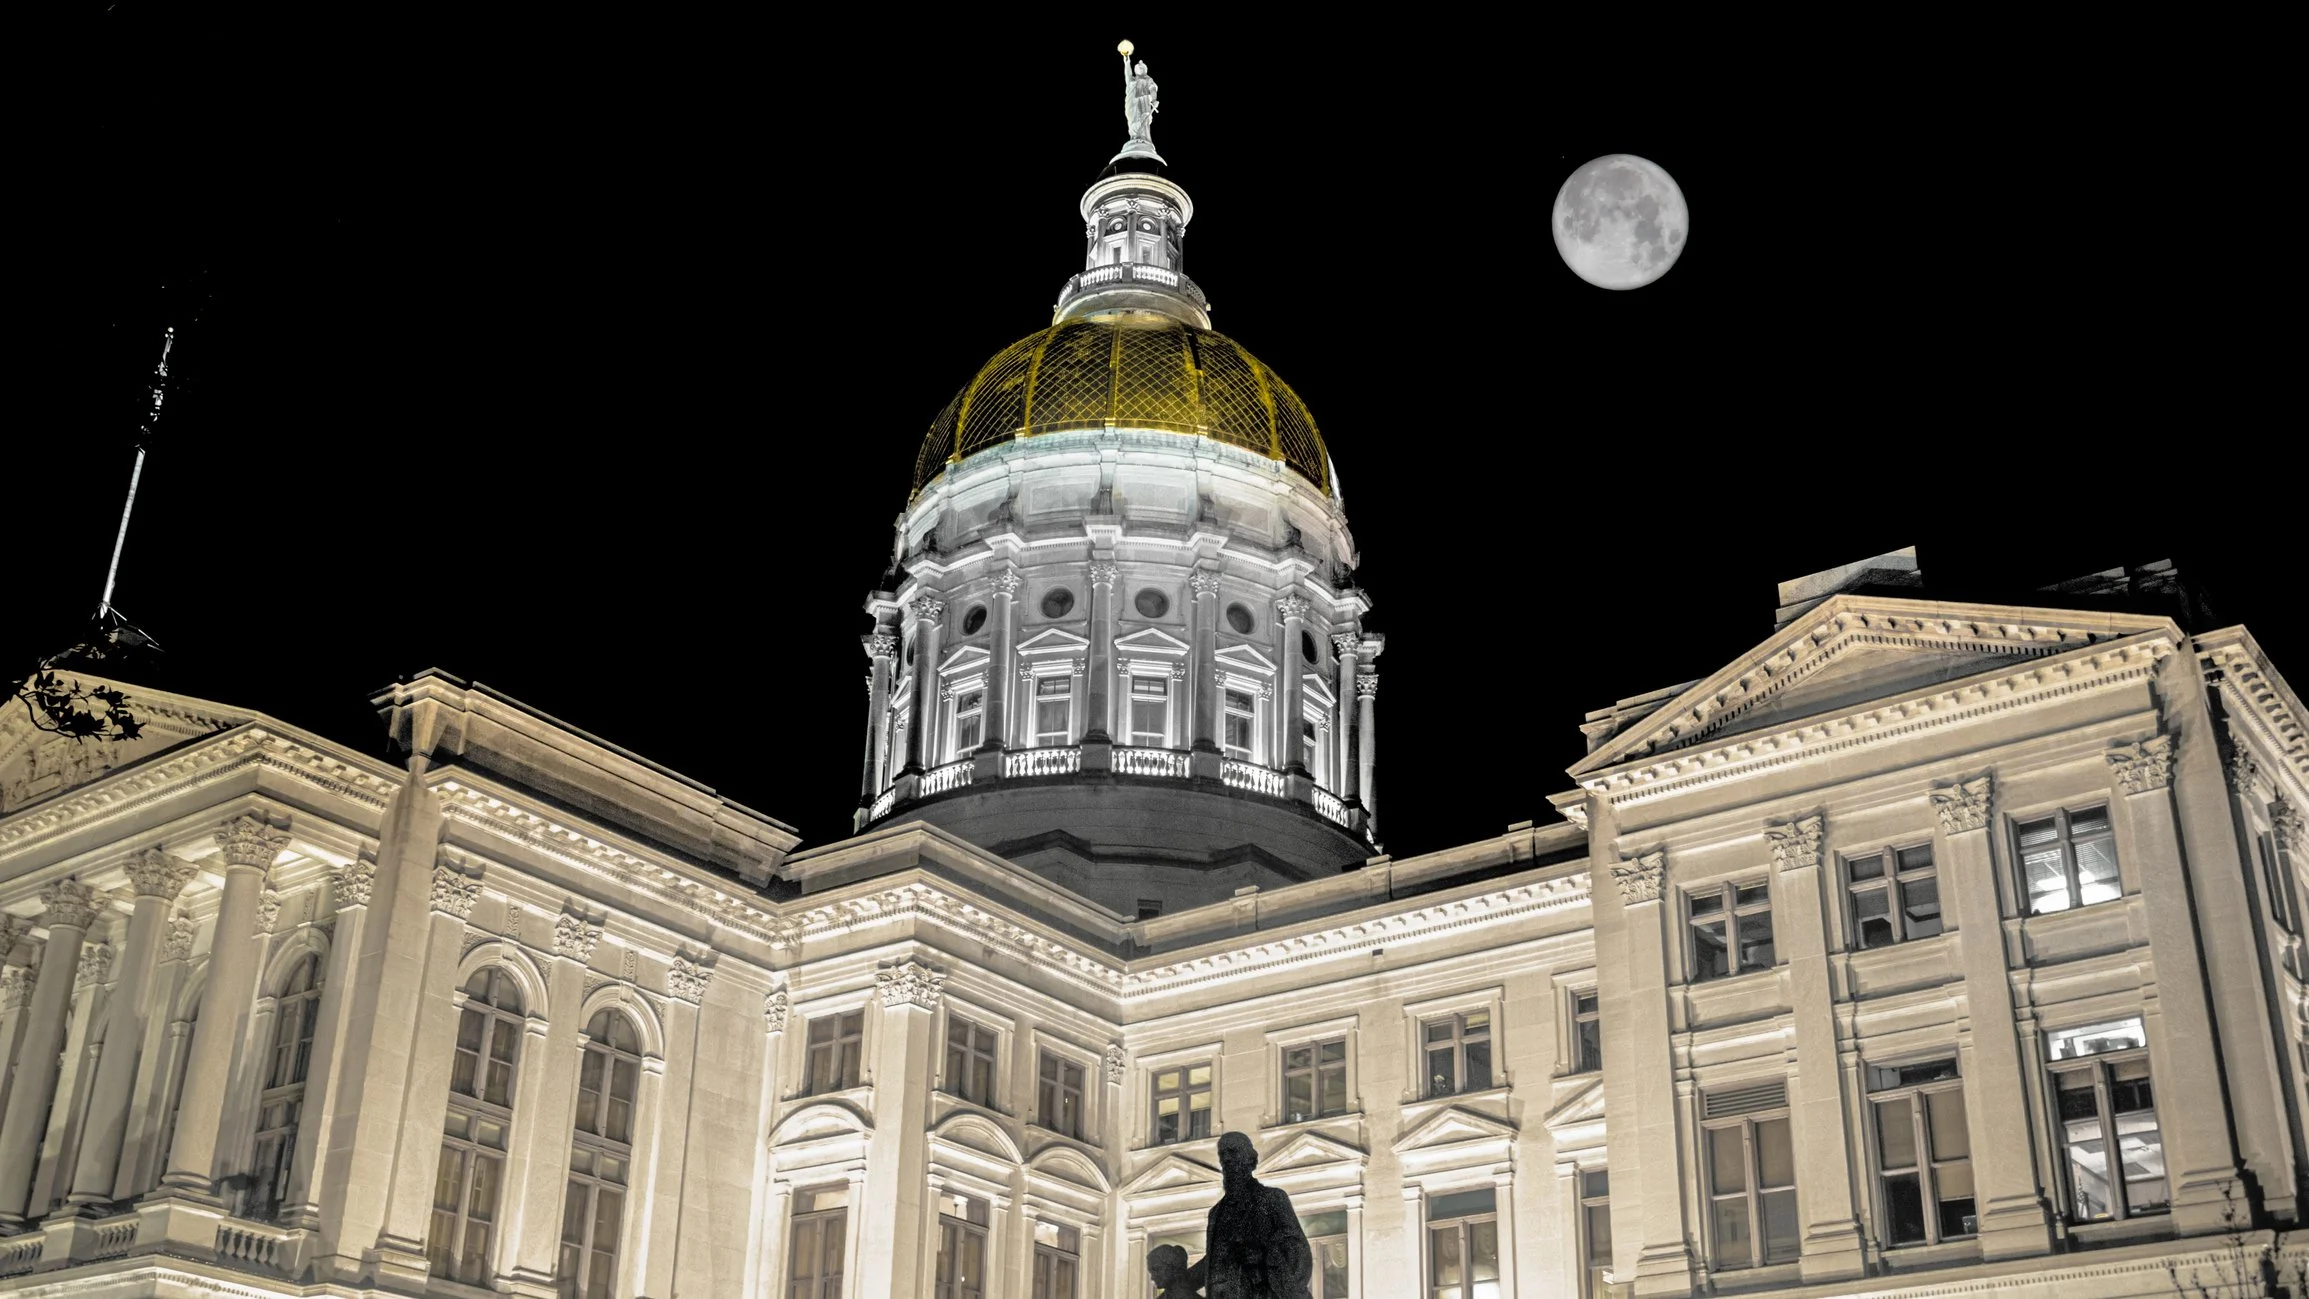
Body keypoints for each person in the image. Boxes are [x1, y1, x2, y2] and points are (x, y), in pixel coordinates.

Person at [1199, 1131, 1313, 1299]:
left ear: (1250, 1160)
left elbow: (1297, 1249)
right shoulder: (1216, 1213)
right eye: (1222, 1154)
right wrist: (1177, 1281)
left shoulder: (1272, 1199)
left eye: (1233, 1152)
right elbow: (1212, 1263)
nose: (1227, 1159)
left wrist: (1264, 1255)